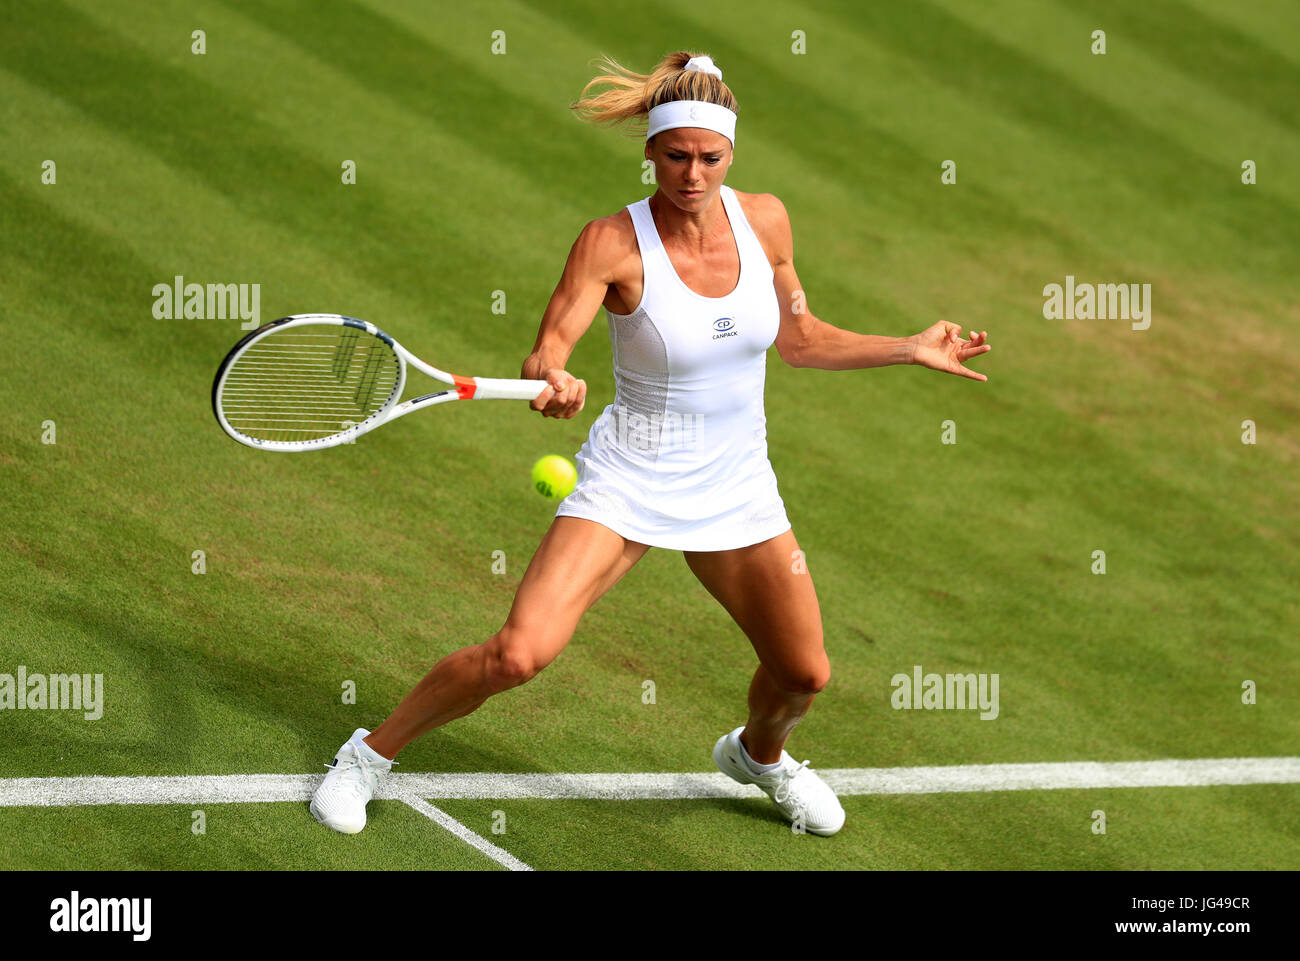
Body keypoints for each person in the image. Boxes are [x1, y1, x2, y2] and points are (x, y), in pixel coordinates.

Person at [310, 50, 990, 839]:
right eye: (675, 156)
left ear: (731, 154)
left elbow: (799, 339)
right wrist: (553, 378)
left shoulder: (766, 219)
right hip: (630, 479)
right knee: (519, 653)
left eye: (710, 158)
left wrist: (909, 345)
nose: (692, 174)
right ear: (649, 151)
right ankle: (367, 755)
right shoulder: (610, 243)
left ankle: (758, 756)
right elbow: (549, 348)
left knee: (805, 672)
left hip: (736, 486)